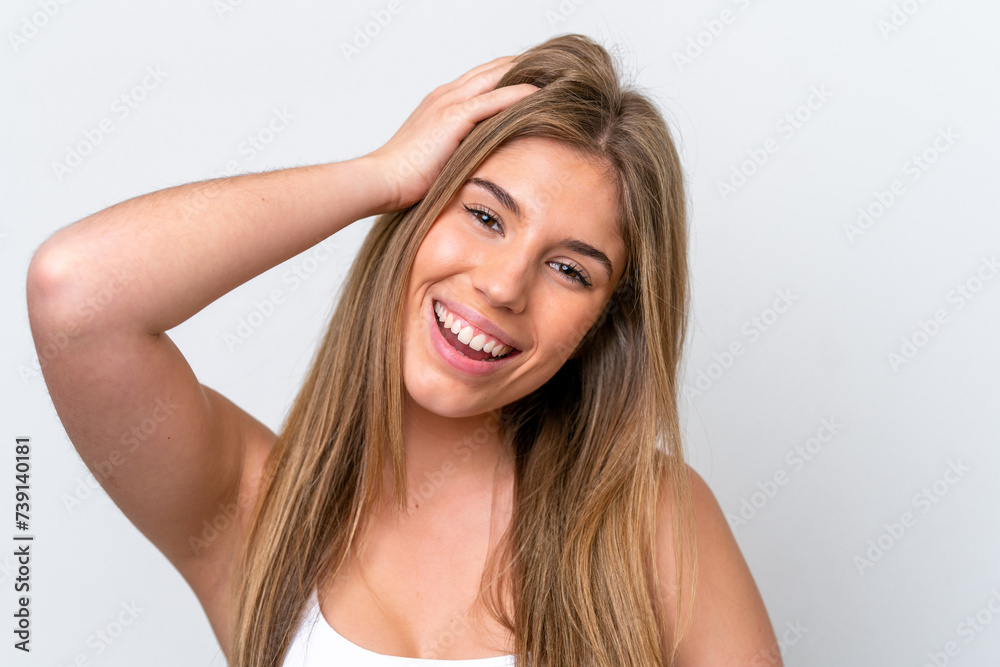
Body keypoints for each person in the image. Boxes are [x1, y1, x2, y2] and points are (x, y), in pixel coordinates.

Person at [26, 34, 778, 666]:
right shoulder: (253, 508)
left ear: (600, 325)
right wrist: (378, 174)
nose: (505, 285)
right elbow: (76, 295)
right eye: (485, 215)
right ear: (416, 213)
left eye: (570, 269)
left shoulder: (648, 522)